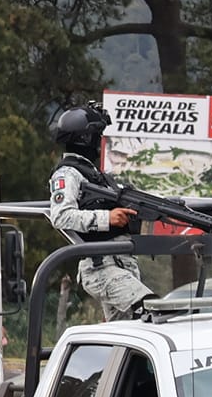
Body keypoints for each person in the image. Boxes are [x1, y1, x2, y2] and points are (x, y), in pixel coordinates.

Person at [49, 102, 152, 322]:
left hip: (122, 264)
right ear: (85, 138)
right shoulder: (68, 174)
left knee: (127, 334)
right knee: (152, 311)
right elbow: (60, 215)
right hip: (101, 267)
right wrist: (108, 218)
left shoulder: (96, 176)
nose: (101, 141)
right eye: (98, 135)